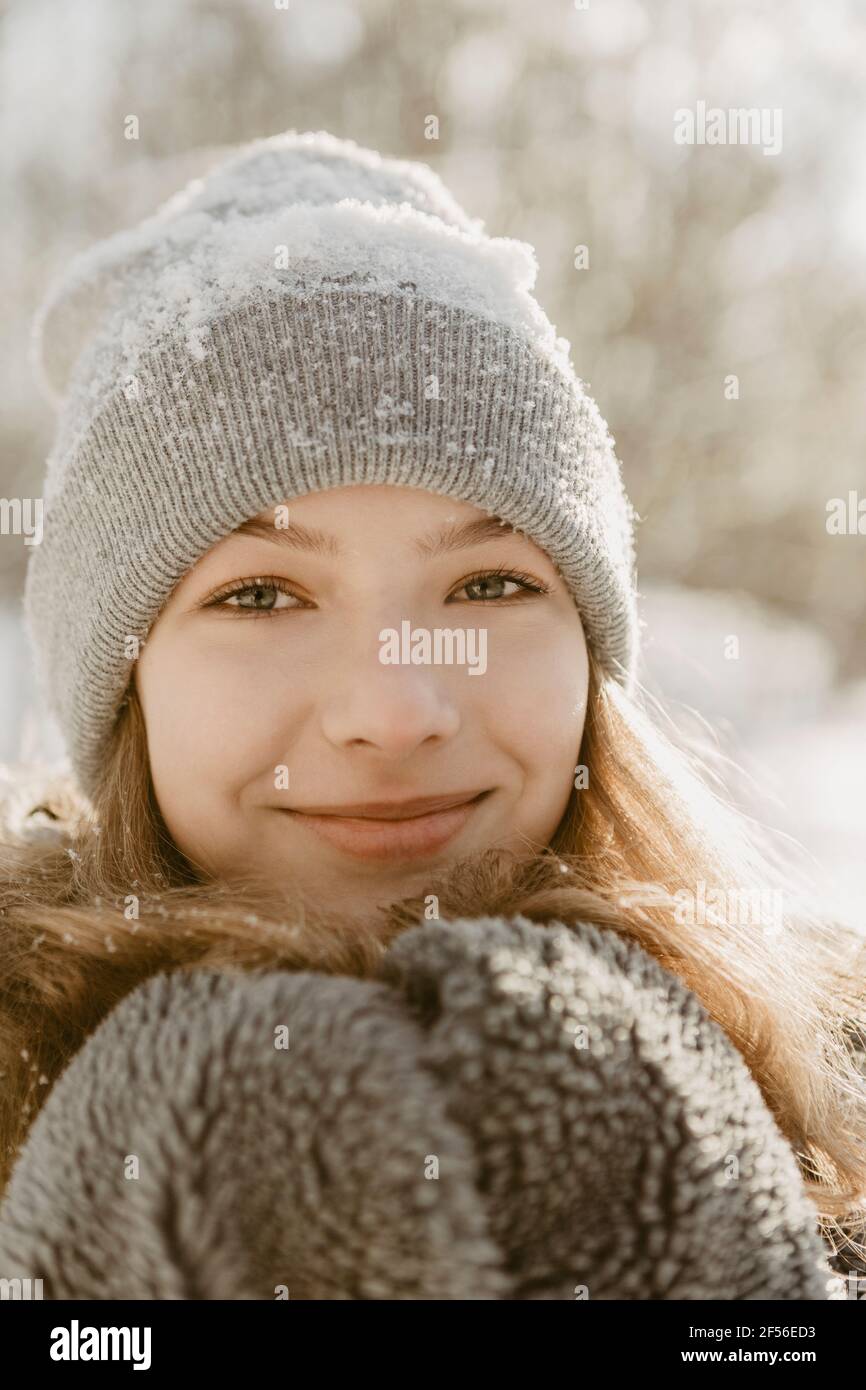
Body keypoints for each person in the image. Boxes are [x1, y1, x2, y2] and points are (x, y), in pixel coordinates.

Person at [0, 129, 863, 1300]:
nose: (395, 710)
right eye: (260, 594)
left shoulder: (836, 1079)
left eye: (489, 584)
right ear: (125, 680)